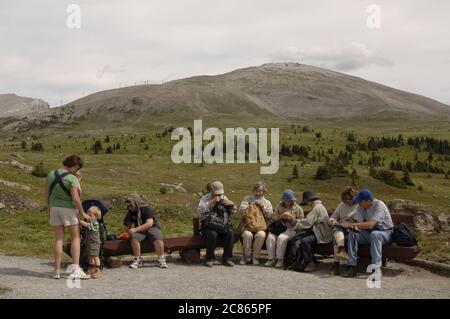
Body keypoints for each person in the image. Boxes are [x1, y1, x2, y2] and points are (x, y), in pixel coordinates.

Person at [44, 154, 90, 280]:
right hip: (68, 210)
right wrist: (83, 213)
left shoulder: (51, 174)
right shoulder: (72, 178)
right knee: (75, 238)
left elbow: (46, 194)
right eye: (78, 168)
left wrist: (49, 209)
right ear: (74, 166)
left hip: (54, 209)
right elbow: (76, 199)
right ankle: (75, 269)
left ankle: (57, 271)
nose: (78, 171)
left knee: (59, 239)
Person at [343, 189, 394, 277]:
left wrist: (351, 224)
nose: (358, 203)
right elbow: (359, 223)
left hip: (386, 233)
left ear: (368, 200)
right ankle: (351, 266)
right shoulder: (360, 206)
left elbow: (370, 224)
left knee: (375, 235)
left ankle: (376, 269)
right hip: (369, 233)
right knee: (353, 234)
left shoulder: (379, 205)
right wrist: (353, 227)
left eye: (360, 201)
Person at [285, 191, 332, 272]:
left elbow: (308, 222)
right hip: (317, 232)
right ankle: (296, 260)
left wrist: (295, 223)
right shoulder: (317, 207)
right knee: (296, 238)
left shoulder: (317, 207)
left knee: (304, 241)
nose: (306, 204)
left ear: (310, 200)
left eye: (306, 202)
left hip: (321, 234)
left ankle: (311, 262)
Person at [123, 194, 167, 269]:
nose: (129, 208)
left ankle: (161, 259)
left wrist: (135, 229)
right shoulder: (130, 212)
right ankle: (138, 260)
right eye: (128, 206)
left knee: (157, 238)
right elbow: (127, 226)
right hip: (140, 230)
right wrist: (126, 233)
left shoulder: (146, 209)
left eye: (130, 205)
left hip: (152, 227)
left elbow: (149, 223)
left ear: (135, 203)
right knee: (134, 238)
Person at [197, 181, 236, 267]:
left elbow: (232, 212)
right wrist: (211, 202)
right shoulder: (205, 198)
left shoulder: (224, 197)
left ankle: (226, 258)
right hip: (208, 225)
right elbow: (200, 211)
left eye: (220, 193)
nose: (218, 195)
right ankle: (209, 258)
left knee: (230, 233)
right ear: (212, 191)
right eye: (216, 193)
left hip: (221, 225)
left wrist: (232, 205)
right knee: (213, 234)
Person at [265, 189, 304, 268]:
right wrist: (280, 216)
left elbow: (302, 222)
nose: (288, 202)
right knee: (270, 237)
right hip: (279, 227)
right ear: (283, 200)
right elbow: (273, 218)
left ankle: (280, 259)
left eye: (290, 200)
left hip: (291, 229)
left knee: (281, 238)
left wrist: (292, 219)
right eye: (286, 200)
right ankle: (271, 259)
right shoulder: (278, 206)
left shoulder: (298, 208)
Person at [238, 181, 273, 265]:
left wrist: (263, 208)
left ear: (264, 191)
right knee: (247, 234)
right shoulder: (248, 198)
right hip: (247, 225)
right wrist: (250, 206)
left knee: (261, 235)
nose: (258, 193)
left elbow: (270, 215)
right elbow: (241, 210)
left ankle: (255, 257)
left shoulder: (267, 202)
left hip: (261, 226)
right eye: (256, 191)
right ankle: (246, 256)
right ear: (254, 190)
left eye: (260, 191)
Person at [328, 186, 358, 276]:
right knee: (336, 229)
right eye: (346, 199)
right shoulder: (341, 205)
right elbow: (333, 217)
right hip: (341, 227)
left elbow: (360, 221)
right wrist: (332, 220)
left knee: (336, 236)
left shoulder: (359, 206)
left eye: (350, 198)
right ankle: (341, 250)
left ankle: (336, 264)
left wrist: (351, 225)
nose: (348, 201)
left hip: (353, 228)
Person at [79, 206, 102, 279]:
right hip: (89, 242)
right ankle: (91, 267)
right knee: (90, 255)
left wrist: (80, 221)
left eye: (90, 215)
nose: (88, 217)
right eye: (87, 214)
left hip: (94, 243)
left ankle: (97, 269)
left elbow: (87, 225)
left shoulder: (95, 223)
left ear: (96, 217)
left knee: (95, 256)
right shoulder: (90, 222)